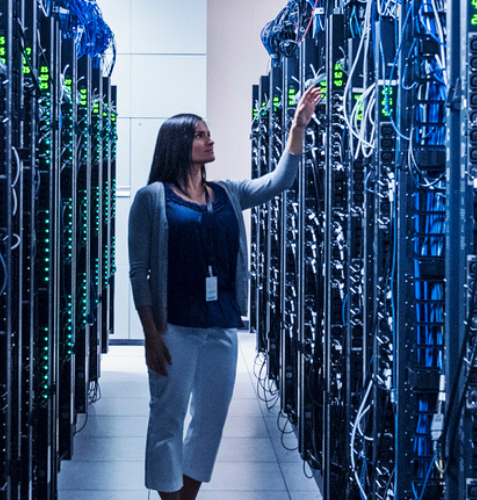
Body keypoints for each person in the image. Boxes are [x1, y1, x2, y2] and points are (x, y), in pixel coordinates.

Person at [127, 84, 323, 500]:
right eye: (200, 134)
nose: (209, 139)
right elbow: (138, 271)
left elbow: (279, 182)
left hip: (221, 325)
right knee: (167, 416)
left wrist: (297, 127)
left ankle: (188, 496)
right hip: (173, 326)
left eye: (208, 133)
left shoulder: (227, 194)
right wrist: (150, 334)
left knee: (210, 419)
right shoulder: (150, 199)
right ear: (179, 144)